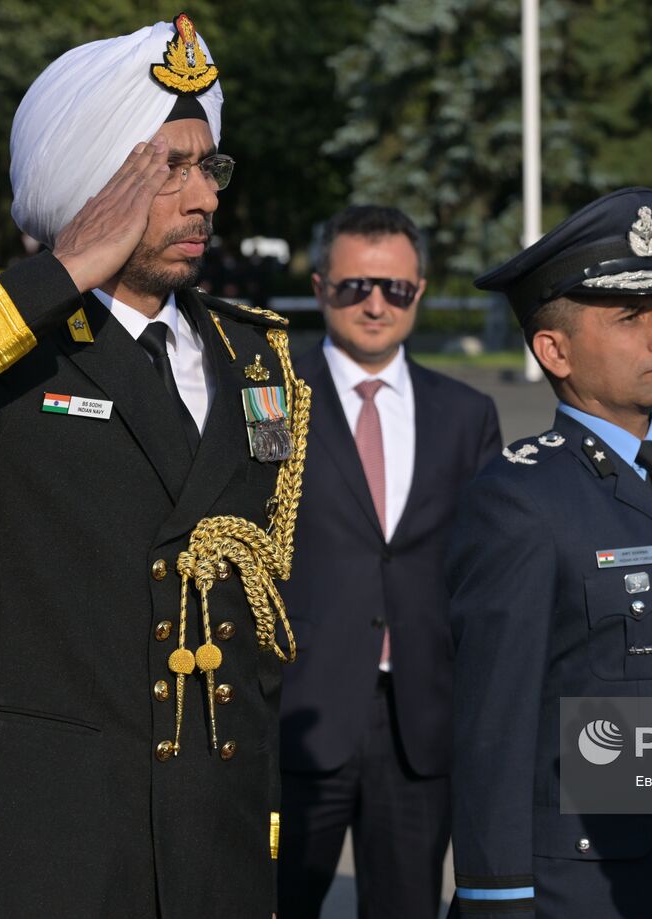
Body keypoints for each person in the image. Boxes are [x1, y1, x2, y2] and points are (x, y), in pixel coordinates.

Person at [0, 18, 309, 917]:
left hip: (213, 842)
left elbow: (258, 611)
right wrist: (59, 273)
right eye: (167, 169)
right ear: (93, 184)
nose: (204, 199)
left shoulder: (255, 355)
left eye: (208, 167)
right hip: (49, 836)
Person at [448, 187, 652, 917]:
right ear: (554, 349)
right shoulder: (519, 498)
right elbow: (491, 726)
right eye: (633, 317)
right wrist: (495, 897)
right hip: (582, 884)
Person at [277, 205, 500, 918]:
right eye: (355, 286)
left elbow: (484, 570)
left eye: (395, 289)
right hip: (298, 707)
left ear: (420, 292)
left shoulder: (467, 414)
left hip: (420, 719)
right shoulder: (271, 400)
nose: (376, 303)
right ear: (320, 288)